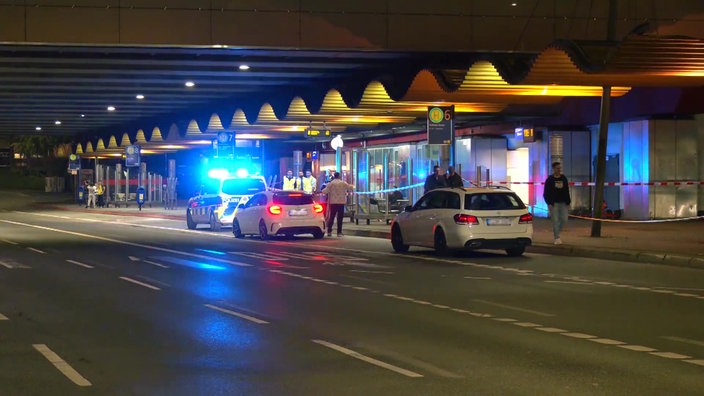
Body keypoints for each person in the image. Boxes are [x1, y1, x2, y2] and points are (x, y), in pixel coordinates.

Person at [543, 161, 571, 245]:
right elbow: (546, 192)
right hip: (554, 203)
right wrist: (549, 203)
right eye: (557, 168)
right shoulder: (550, 180)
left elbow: (566, 190)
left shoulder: (563, 178)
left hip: (563, 202)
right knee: (555, 220)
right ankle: (557, 237)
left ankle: (557, 232)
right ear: (553, 169)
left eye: (560, 168)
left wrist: (568, 202)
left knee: (564, 219)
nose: (559, 170)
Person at [322, 172, 354, 237]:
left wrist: (323, 187)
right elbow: (350, 188)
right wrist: (353, 185)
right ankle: (339, 232)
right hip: (341, 202)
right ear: (339, 176)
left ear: (334, 176)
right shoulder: (343, 183)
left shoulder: (331, 183)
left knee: (332, 217)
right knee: (340, 218)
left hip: (333, 203)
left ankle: (329, 231)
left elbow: (324, 191)